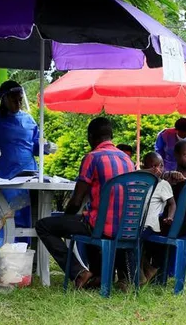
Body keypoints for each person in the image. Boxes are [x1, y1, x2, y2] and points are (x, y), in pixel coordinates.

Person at [36, 117, 134, 289]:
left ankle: (79, 272)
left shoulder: (92, 157)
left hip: (101, 227)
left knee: (44, 226)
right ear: (111, 136)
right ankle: (98, 275)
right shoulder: (126, 159)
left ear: (91, 137)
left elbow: (76, 201)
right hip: (126, 227)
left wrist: (65, 220)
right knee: (87, 217)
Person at [0, 80, 57, 242]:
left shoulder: (28, 120)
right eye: (14, 100)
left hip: (27, 175)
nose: (18, 103)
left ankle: (21, 252)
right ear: (4, 98)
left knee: (24, 216)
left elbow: (33, 146)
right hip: (2, 177)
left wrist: (45, 148)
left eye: (20, 99)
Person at [140, 152, 176, 281]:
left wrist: (170, 217)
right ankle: (144, 270)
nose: (158, 170)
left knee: (135, 241)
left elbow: (172, 204)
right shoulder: (139, 182)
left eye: (161, 166)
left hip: (151, 224)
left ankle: (139, 276)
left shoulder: (163, 184)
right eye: (153, 166)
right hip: (136, 223)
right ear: (144, 167)